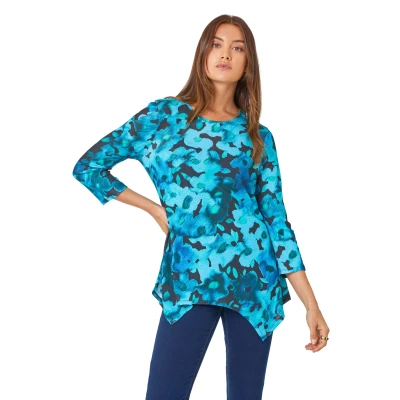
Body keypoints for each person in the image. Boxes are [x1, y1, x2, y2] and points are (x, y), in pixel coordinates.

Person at [72, 14, 330, 400]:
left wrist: (311, 304)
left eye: (237, 48)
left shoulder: (257, 136)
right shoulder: (163, 117)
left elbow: (277, 221)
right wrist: (154, 210)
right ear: (202, 54)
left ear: (247, 63)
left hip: (255, 280)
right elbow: (89, 167)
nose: (225, 54)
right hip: (190, 277)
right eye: (216, 44)